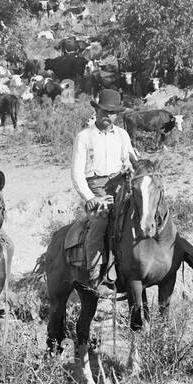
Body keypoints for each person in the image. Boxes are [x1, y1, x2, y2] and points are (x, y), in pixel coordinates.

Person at [70, 88, 137, 299]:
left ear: (118, 114)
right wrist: (90, 198)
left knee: (143, 214)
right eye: (105, 112)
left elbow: (132, 160)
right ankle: (95, 275)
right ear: (97, 111)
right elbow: (77, 173)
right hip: (96, 187)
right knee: (100, 221)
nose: (108, 117)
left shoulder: (122, 135)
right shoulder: (84, 137)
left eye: (113, 113)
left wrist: (131, 169)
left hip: (121, 185)